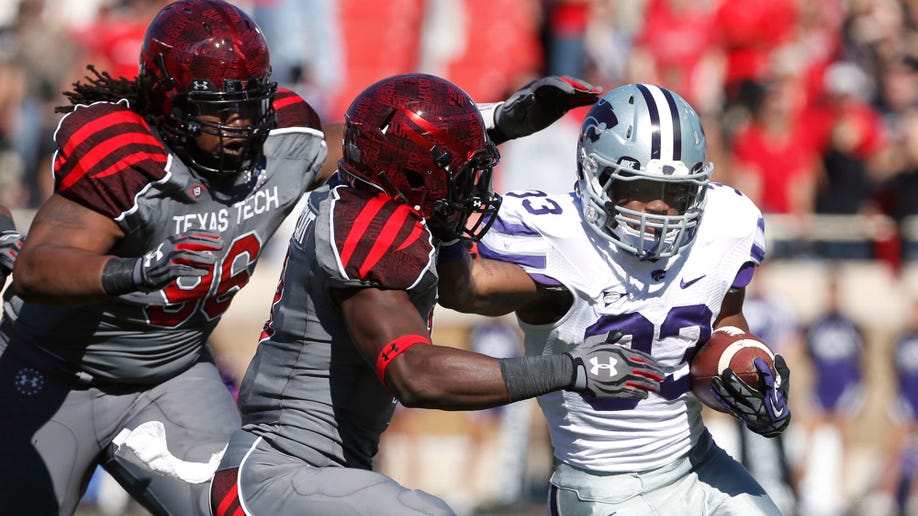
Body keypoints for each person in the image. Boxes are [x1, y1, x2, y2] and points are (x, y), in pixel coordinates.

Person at [0, 3, 603, 514]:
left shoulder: (288, 140)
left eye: (250, 102)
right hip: (58, 369)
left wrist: (493, 121)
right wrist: (134, 271)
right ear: (167, 101)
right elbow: (37, 269)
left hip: (170, 372)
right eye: (218, 108)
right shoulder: (129, 157)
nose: (239, 124)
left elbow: (382, 153)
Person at [207, 72, 663, 516]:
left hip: (319, 473)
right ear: (414, 175)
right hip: (281, 473)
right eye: (463, 172)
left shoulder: (368, 190)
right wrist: (569, 370)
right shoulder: (367, 229)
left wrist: (500, 122)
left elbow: (461, 287)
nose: (473, 186)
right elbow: (415, 375)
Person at [437, 83, 793, 514]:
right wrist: (447, 225)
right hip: (601, 485)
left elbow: (726, 321)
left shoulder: (727, 223)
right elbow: (465, 289)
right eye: (639, 187)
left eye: (677, 193)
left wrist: (745, 367)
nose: (660, 208)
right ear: (596, 175)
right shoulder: (558, 234)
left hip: (697, 461)